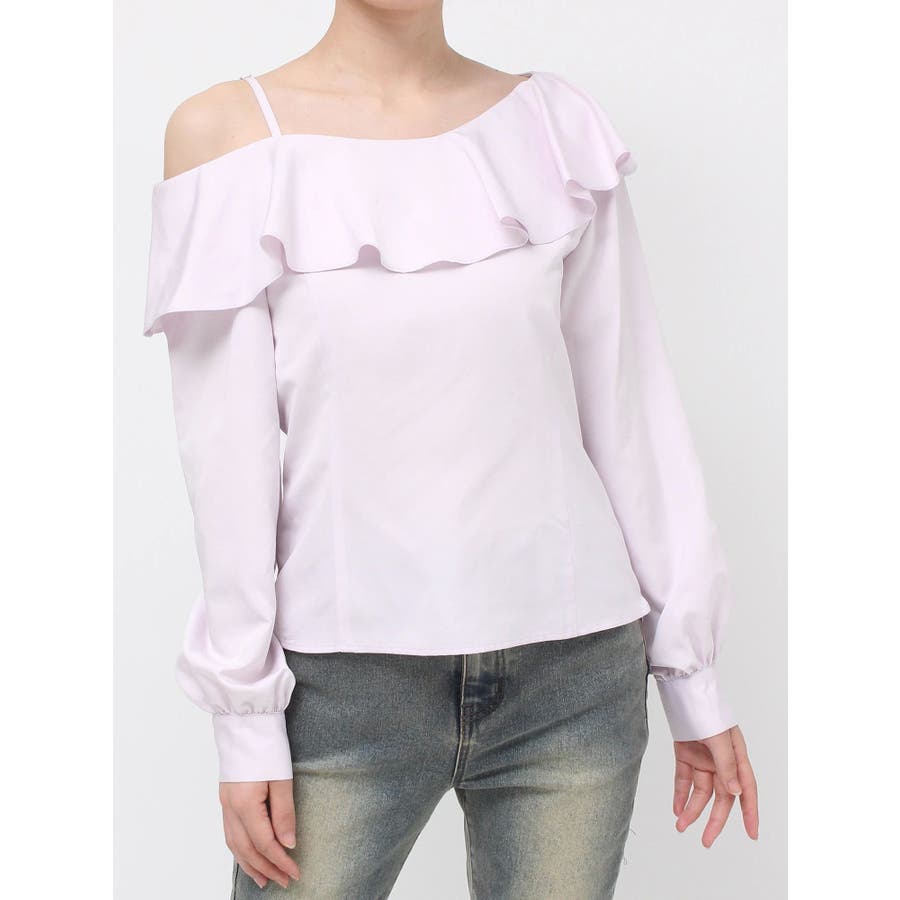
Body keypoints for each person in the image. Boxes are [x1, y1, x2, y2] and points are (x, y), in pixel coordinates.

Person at [144, 1, 759, 896]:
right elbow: (226, 459)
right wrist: (245, 721)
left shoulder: (552, 125)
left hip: (574, 680)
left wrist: (692, 680)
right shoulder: (228, 138)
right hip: (342, 689)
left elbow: (631, 413)